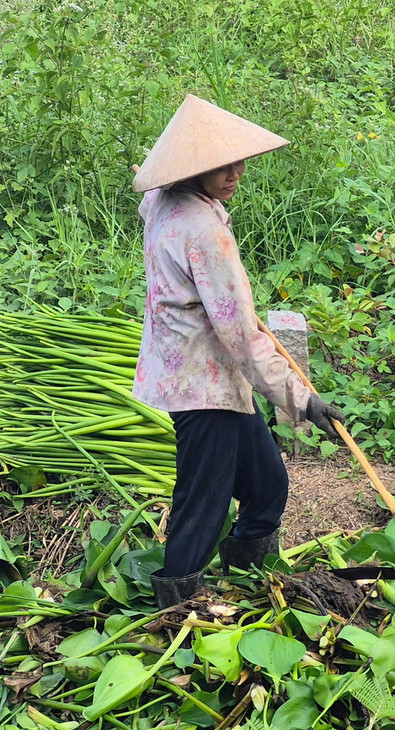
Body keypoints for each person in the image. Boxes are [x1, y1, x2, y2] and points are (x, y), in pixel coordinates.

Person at [131, 94, 344, 608]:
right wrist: (303, 402)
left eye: (239, 161)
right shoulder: (205, 233)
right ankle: (176, 606)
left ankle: (249, 581)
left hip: (203, 373)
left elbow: (145, 196)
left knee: (267, 485)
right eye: (221, 165)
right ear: (192, 169)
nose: (235, 173)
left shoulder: (163, 201)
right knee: (202, 503)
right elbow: (242, 336)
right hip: (203, 384)